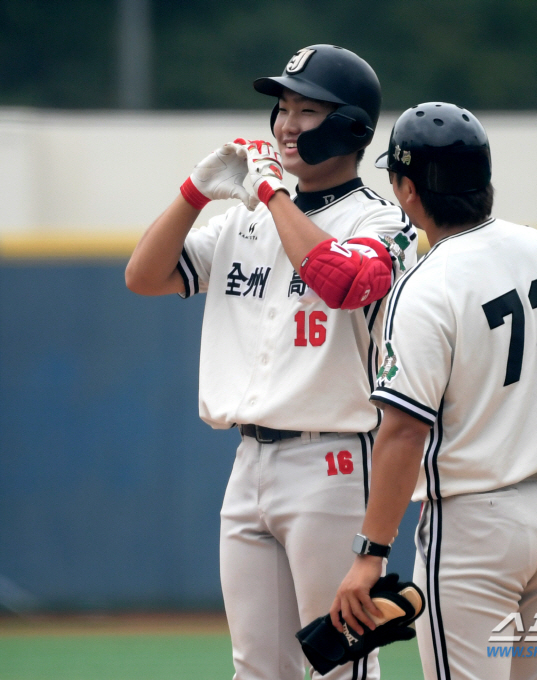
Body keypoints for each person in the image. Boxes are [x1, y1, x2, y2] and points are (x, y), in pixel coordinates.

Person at [125, 45, 417, 680]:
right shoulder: (246, 222)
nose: (286, 124)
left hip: (333, 462)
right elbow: (144, 276)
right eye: (282, 108)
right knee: (257, 668)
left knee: (337, 668)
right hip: (250, 461)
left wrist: (268, 193)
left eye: (307, 110)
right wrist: (194, 192)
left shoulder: (380, 219)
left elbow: (343, 282)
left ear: (350, 127)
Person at [331, 102, 537, 680]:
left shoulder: (426, 285)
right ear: (484, 179)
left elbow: (402, 430)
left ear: (405, 190)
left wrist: (369, 555)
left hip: (478, 528)